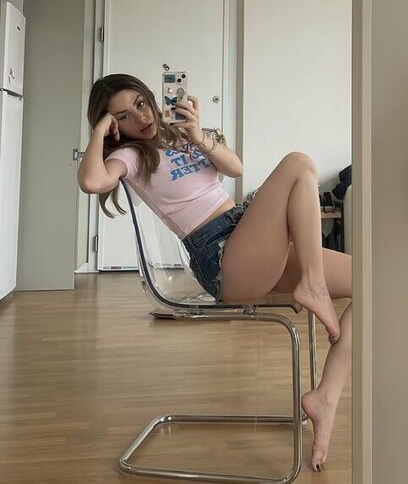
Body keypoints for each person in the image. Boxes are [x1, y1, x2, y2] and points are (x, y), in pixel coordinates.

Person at [78, 73, 351, 472]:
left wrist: (197, 135)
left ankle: (325, 398)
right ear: (115, 127)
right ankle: (313, 285)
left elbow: (235, 168)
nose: (141, 117)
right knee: (299, 163)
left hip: (248, 241)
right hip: (221, 257)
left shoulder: (183, 136)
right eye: (123, 116)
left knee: (372, 282)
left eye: (140, 103)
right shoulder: (132, 157)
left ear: (151, 98)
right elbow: (91, 181)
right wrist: (99, 133)